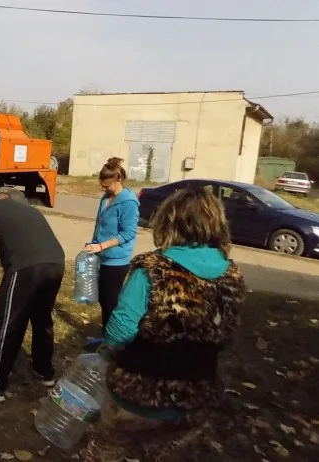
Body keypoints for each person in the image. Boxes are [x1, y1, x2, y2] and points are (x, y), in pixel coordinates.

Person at [83, 187, 246, 461]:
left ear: (169, 221)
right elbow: (226, 336)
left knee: (108, 452)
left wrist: (107, 351)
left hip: (137, 396)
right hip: (194, 398)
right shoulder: (232, 275)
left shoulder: (153, 268)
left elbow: (121, 329)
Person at [0, 192, 65, 402]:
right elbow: (21, 259)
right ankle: (44, 371)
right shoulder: (31, 211)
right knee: (42, 319)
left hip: (27, 267)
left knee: (8, 324)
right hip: (56, 263)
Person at [84, 157, 139, 336]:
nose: (105, 189)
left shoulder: (128, 202)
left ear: (118, 180)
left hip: (116, 260)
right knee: (103, 299)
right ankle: (106, 334)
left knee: (111, 301)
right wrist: (93, 243)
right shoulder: (106, 197)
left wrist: (102, 246)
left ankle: (112, 339)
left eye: (108, 186)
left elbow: (127, 233)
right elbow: (100, 224)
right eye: (103, 186)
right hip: (101, 255)